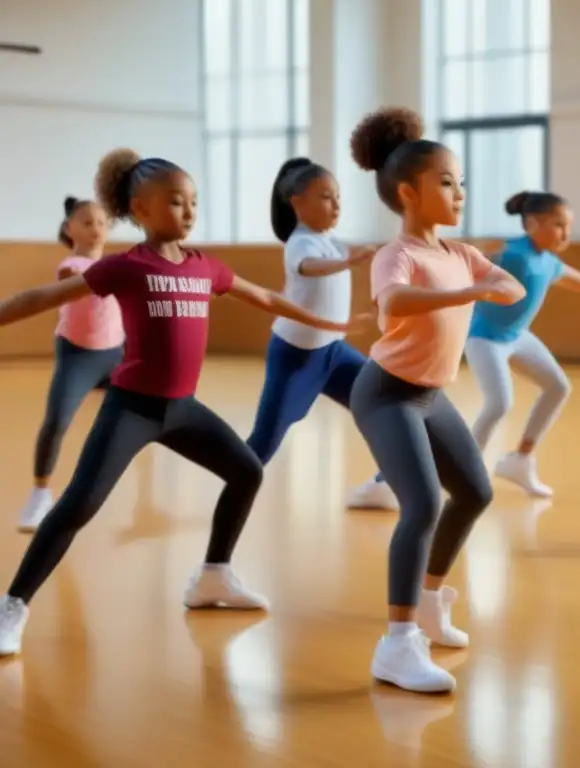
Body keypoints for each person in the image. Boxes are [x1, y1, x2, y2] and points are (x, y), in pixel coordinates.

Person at [0, 148, 356, 658]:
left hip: (182, 409)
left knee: (247, 471)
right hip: (131, 408)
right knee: (79, 503)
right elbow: (40, 299)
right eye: (175, 201)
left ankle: (213, 576)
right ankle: (12, 605)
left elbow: (268, 299)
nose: (188, 211)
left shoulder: (205, 268)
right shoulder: (126, 267)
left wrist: (334, 327)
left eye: (193, 202)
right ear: (140, 210)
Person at [348, 106, 525, 694]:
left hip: (431, 396)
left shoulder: (459, 253)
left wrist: (493, 281)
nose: (459, 192)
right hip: (386, 394)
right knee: (421, 504)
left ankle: (427, 601)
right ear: (408, 193)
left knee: (474, 491)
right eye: (446, 182)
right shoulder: (396, 254)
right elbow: (392, 303)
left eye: (461, 181)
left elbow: (512, 285)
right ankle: (395, 645)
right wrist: (477, 289)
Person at [347, 189, 580, 507]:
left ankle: (520, 459)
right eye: (558, 225)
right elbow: (475, 252)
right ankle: (461, 470)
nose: (565, 233)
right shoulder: (513, 251)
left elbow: (571, 278)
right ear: (531, 224)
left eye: (568, 226)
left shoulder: (549, 262)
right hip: (485, 339)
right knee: (499, 403)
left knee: (557, 386)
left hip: (517, 337)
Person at [245, 157, 374, 465]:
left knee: (382, 402)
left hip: (335, 353)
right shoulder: (299, 243)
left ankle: (387, 482)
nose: (336, 205)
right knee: (262, 445)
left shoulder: (330, 240)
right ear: (298, 204)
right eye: (326, 197)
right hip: (296, 357)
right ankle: (232, 486)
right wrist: (348, 262)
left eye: (338, 197)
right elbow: (310, 267)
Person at [17, 196, 125, 532]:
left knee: (148, 411)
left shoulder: (116, 264)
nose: (97, 229)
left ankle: (98, 490)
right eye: (88, 222)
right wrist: (74, 283)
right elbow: (68, 279)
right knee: (57, 421)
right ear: (70, 228)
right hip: (78, 355)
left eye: (103, 223)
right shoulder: (74, 266)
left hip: (115, 354)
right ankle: (39, 493)